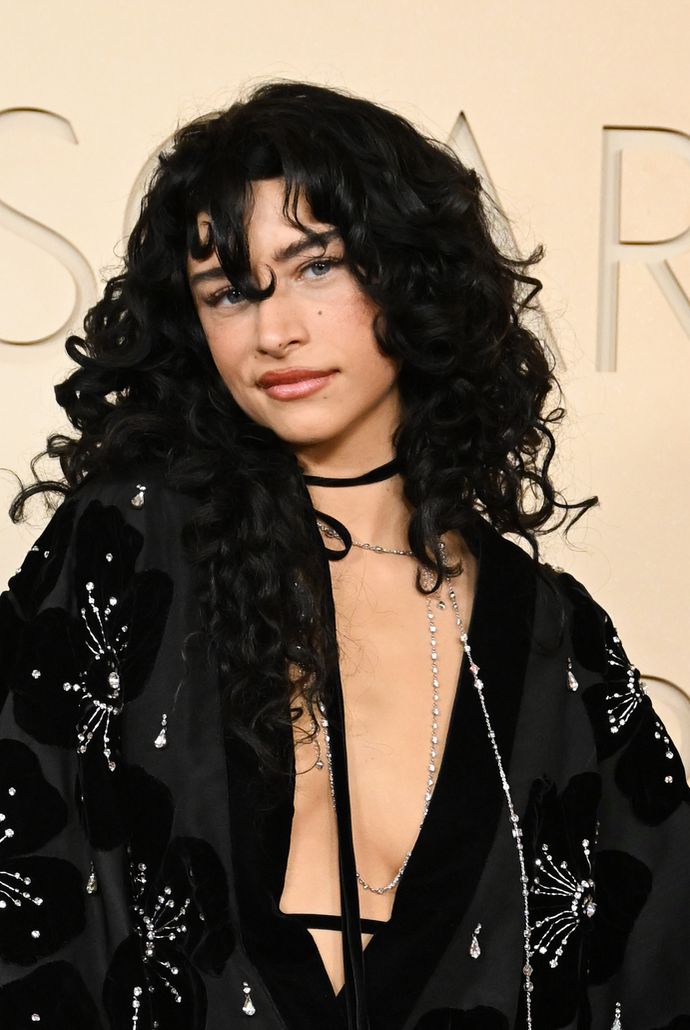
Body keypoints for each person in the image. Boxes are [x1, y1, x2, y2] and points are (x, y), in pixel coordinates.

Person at [0, 80, 688, 1030]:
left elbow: (656, 971)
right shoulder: (127, 549)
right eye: (228, 292)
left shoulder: (552, 635)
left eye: (317, 267)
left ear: (412, 275)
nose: (274, 332)